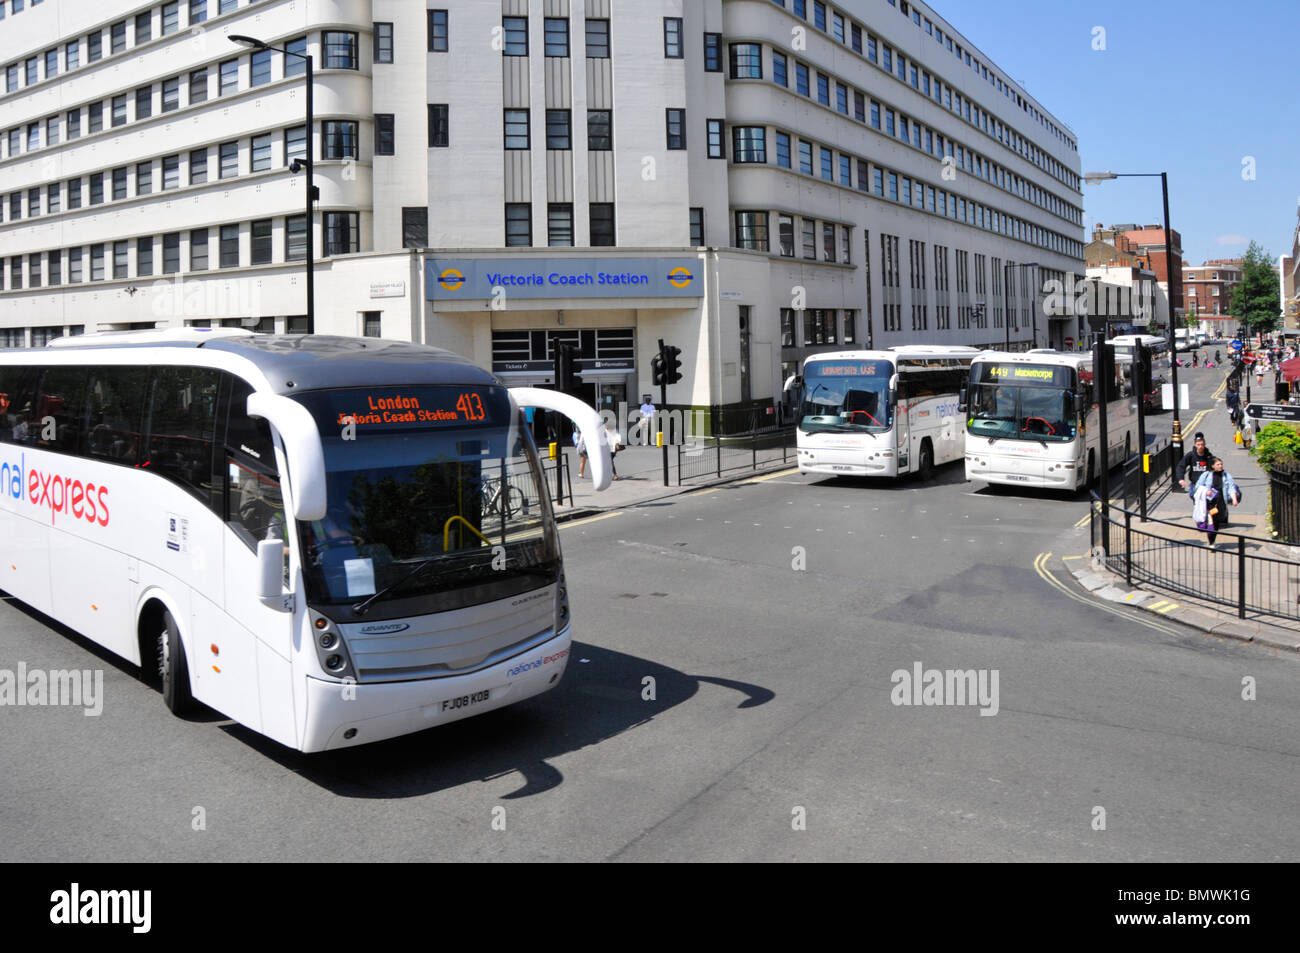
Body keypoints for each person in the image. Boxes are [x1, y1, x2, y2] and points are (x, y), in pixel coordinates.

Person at [1192, 456, 1240, 546]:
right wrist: (1206, 491)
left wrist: (1234, 499)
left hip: (1221, 502)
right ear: (1213, 466)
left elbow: (1231, 488)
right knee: (1212, 521)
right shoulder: (1206, 475)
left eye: (1221, 464)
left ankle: (1212, 538)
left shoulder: (1226, 476)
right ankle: (1211, 542)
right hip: (1210, 502)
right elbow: (1197, 486)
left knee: (1217, 522)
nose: (1220, 466)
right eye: (1218, 464)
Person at [1174, 432, 1214, 498]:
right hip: (1195, 484)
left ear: (1204, 444)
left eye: (1202, 444)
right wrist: (1181, 479)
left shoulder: (1209, 456)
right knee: (1196, 501)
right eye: (1198, 445)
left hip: (1206, 485)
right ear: (1195, 445)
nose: (1200, 446)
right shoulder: (1191, 455)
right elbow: (1181, 466)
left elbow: (1215, 467)